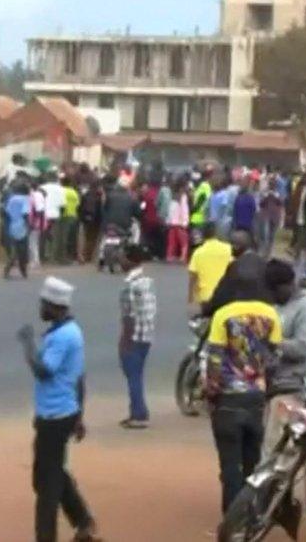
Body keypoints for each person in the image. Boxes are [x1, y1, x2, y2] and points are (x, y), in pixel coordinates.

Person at [17, 277, 99, 542]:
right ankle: (84, 521)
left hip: (55, 417)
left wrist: (28, 343)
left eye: (45, 304)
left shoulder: (63, 337)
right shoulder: (68, 331)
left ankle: (47, 536)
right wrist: (80, 415)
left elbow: (43, 371)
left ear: (56, 307)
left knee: (46, 485)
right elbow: (79, 377)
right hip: (60, 413)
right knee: (50, 473)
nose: (41, 309)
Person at [204, 270, 282, 512]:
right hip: (256, 398)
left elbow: (214, 358)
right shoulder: (271, 314)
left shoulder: (223, 315)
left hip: (227, 399)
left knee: (229, 466)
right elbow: (274, 357)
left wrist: (211, 391)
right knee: (252, 464)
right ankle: (251, 516)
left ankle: (231, 518)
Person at [262, 259, 306, 454]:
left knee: (277, 449)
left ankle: (275, 485)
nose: (271, 296)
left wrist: (272, 344)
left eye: (274, 291)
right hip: (276, 385)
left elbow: (303, 347)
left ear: (287, 285)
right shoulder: (281, 305)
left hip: (294, 387)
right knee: (271, 444)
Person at [117, 244, 157, 429]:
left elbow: (128, 317)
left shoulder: (129, 286)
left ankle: (138, 415)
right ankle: (139, 410)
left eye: (123, 256)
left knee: (132, 374)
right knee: (137, 374)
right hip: (147, 334)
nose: (120, 259)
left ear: (131, 260)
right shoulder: (147, 281)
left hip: (134, 335)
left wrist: (125, 341)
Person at [202, 229, 271, 317]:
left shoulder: (235, 267)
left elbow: (222, 295)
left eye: (231, 245)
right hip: (265, 314)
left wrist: (207, 309)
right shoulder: (263, 263)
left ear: (236, 247)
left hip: (239, 315)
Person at [188, 222, 233, 306]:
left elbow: (193, 277)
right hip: (225, 296)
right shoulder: (228, 249)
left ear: (203, 235)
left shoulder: (198, 252)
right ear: (217, 233)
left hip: (206, 297)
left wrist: (190, 297)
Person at [3, 181, 31, 279]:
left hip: (12, 226)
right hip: (22, 226)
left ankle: (7, 270)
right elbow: (25, 213)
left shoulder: (12, 199)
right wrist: (28, 225)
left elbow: (6, 212)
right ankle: (23, 271)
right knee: (23, 250)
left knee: (14, 251)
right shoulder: (25, 199)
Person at [42, 174, 66, 264]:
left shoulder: (42, 187)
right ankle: (53, 257)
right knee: (55, 236)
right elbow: (63, 204)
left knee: (43, 236)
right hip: (55, 214)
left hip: (44, 214)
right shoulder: (60, 188)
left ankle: (43, 255)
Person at [166, 179, 191, 263]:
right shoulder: (183, 196)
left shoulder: (172, 196)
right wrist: (185, 222)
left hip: (172, 223)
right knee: (184, 242)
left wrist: (169, 221)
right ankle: (183, 256)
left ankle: (169, 256)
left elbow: (169, 210)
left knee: (172, 242)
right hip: (180, 223)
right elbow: (184, 210)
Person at [78, 180, 103, 264]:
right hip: (96, 220)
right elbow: (101, 209)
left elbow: (80, 207)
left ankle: (83, 256)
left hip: (85, 219)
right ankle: (89, 256)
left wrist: (81, 217)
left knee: (85, 237)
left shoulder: (85, 195)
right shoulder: (99, 196)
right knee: (93, 238)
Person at [61, 179, 80, 263]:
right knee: (72, 237)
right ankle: (72, 255)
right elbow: (77, 204)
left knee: (64, 237)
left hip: (64, 216)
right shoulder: (74, 192)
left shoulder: (61, 192)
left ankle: (64, 256)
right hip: (73, 215)